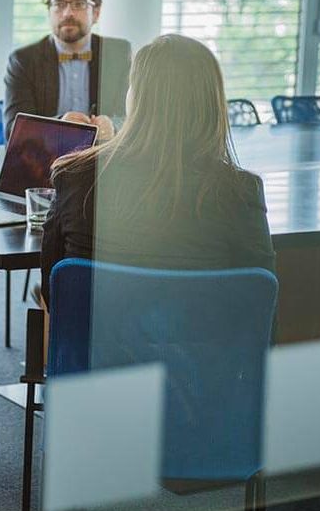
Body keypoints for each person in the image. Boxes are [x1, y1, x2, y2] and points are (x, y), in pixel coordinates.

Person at [39, 34, 276, 309]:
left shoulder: (75, 176)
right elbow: (261, 307)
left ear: (136, 98)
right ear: (213, 104)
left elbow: (52, 295)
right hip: (200, 351)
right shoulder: (241, 192)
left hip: (99, 352)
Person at [3, 0, 130, 141]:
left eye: (79, 4)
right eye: (59, 4)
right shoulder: (23, 60)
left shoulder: (119, 54)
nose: (68, 13)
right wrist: (59, 125)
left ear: (96, 13)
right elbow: (13, 130)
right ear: (49, 11)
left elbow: (136, 118)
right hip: (46, 161)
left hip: (104, 160)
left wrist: (114, 126)